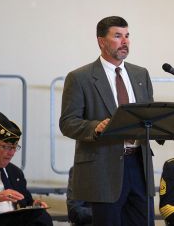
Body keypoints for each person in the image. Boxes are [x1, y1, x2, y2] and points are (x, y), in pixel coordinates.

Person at [59, 16, 162, 226]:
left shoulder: (140, 74)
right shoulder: (80, 77)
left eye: (127, 36)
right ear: (101, 41)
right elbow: (68, 122)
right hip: (103, 169)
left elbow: (147, 116)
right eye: (117, 36)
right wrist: (94, 127)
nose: (125, 42)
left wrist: (162, 127)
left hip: (139, 165)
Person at [0, 112, 52, 226]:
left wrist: (36, 205)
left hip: (17, 220)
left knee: (43, 217)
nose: (12, 153)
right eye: (7, 147)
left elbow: (26, 201)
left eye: (14, 147)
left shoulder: (16, 172)